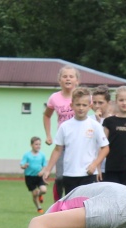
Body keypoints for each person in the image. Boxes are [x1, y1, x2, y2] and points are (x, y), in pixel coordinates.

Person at [42, 87, 109, 195]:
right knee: (71, 206)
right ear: (71, 105)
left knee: (85, 206)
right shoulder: (64, 126)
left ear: (89, 106)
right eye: (78, 105)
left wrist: (95, 164)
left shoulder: (95, 125)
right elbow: (57, 150)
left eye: (84, 105)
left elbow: (105, 148)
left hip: (89, 174)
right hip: (70, 174)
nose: (81, 108)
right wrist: (48, 169)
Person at [44, 65, 80, 200]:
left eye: (71, 76)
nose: (68, 79)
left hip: (80, 141)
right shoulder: (54, 98)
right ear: (59, 80)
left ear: (77, 81)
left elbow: (95, 109)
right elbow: (47, 115)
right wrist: (48, 135)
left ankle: (73, 204)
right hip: (63, 142)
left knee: (77, 177)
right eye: (65, 76)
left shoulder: (81, 96)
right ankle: (57, 204)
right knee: (60, 177)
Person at [20, 136, 48, 214]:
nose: (38, 146)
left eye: (39, 144)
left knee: (44, 190)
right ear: (31, 145)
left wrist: (42, 171)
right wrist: (24, 166)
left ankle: (40, 195)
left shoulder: (42, 155)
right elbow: (22, 164)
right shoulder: (27, 155)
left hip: (39, 176)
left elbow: (44, 165)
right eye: (36, 144)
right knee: (34, 193)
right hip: (29, 177)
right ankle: (39, 207)